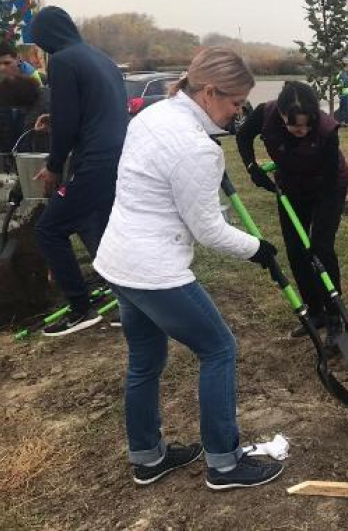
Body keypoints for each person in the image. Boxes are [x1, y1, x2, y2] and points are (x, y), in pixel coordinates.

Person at [93, 47, 284, 490]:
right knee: (218, 349)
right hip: (155, 271)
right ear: (209, 92)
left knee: (146, 359)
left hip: (118, 261)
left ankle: (147, 457)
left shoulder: (151, 116)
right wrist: (259, 248)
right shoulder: (197, 148)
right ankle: (224, 462)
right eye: (235, 104)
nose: (240, 113)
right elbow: (209, 231)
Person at [30, 6, 129, 336]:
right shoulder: (99, 57)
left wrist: (53, 166)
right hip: (121, 157)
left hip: (96, 162)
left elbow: (70, 121)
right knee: (101, 229)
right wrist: (56, 121)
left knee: (49, 229)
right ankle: (131, 298)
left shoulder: (63, 60)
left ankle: (80, 307)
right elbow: (96, 109)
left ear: (47, 38)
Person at [236, 80, 348, 342]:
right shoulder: (265, 113)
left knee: (320, 247)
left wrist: (321, 211)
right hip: (290, 186)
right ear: (283, 114)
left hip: (327, 185)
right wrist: (252, 168)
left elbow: (331, 179)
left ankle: (335, 316)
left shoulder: (326, 130)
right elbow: (243, 136)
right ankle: (316, 311)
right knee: (296, 251)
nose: (303, 130)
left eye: (307, 124)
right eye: (295, 125)